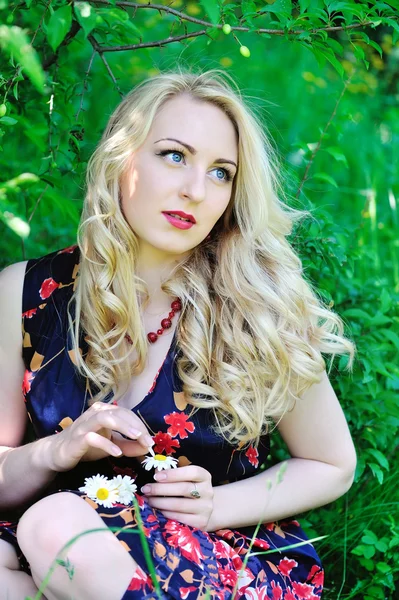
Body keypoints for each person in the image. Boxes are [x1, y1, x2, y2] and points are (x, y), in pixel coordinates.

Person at [0, 69, 357, 600]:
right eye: (174, 155)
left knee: (52, 523)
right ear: (122, 158)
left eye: (221, 173)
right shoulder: (26, 292)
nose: (195, 190)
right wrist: (56, 452)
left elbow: (332, 463)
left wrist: (217, 507)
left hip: (206, 559)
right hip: (69, 550)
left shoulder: (256, 305)